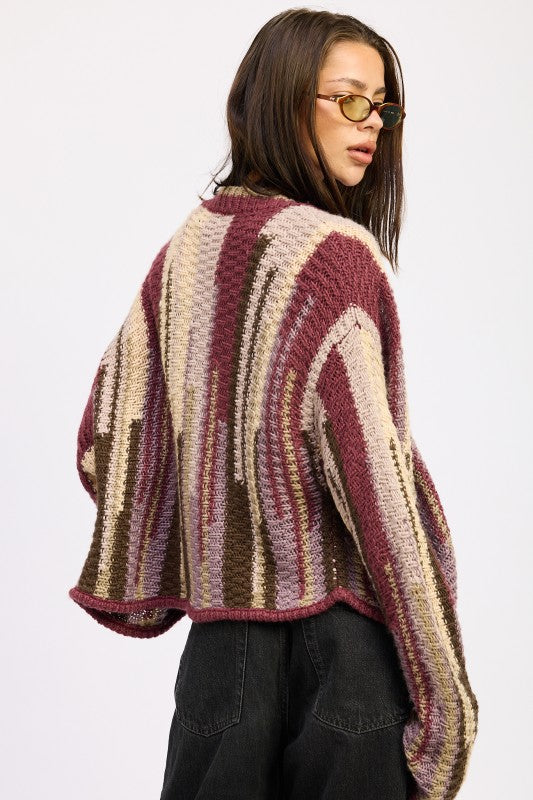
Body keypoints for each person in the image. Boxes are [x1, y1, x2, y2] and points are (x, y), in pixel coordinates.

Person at [69, 8, 479, 800]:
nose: (372, 124)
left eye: (383, 107)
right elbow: (378, 498)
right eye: (348, 99)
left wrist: (212, 531)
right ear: (285, 100)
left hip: (219, 662)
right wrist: (447, 706)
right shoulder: (335, 258)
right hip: (343, 663)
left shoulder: (183, 255)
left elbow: (103, 438)